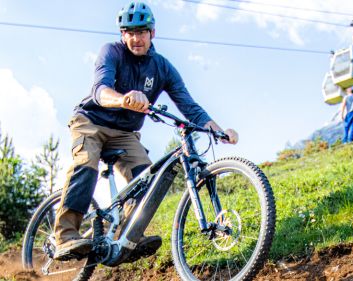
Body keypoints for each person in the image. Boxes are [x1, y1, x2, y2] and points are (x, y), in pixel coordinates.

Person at [53, 1, 238, 261]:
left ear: (153, 32)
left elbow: (189, 106)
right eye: (129, 32)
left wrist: (219, 131)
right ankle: (66, 235)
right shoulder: (111, 52)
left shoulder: (162, 67)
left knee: (148, 179)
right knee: (86, 163)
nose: (135, 38)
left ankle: (129, 236)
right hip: (91, 122)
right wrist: (124, 99)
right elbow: (100, 90)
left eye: (141, 31)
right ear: (122, 34)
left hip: (125, 132)